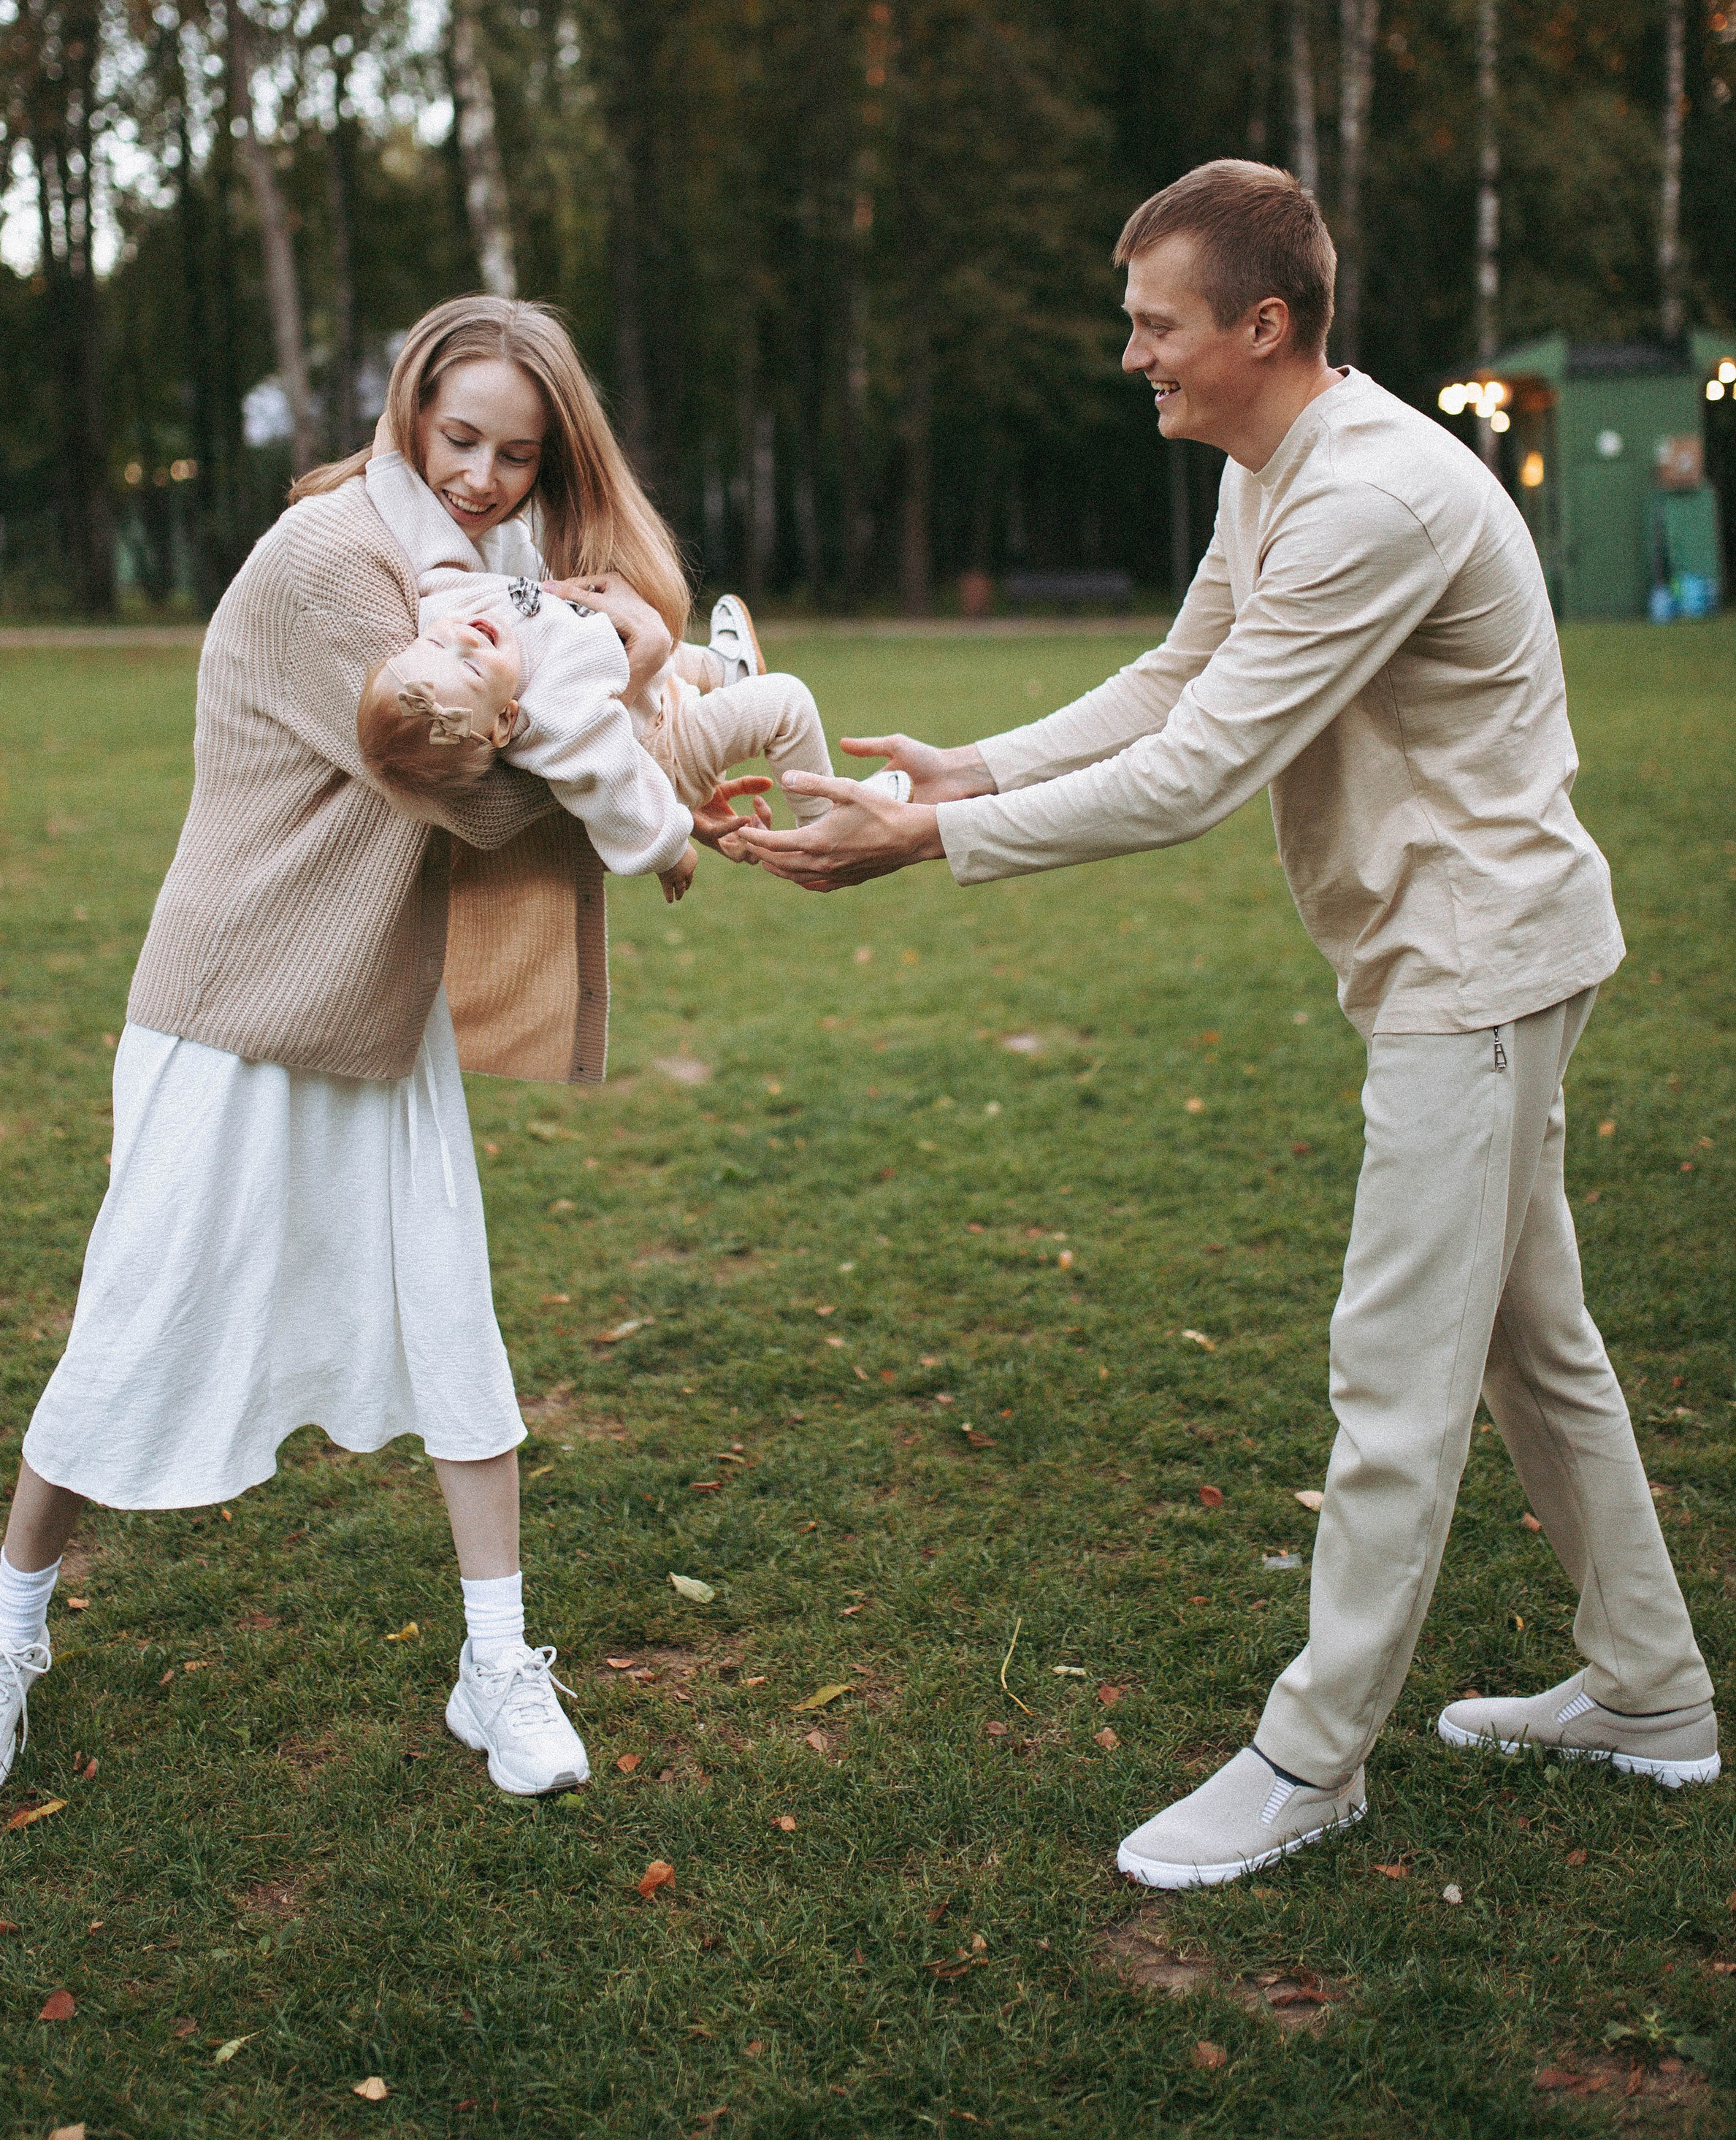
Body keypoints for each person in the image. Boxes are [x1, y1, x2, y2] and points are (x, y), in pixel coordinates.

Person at [730, 158, 1717, 1887]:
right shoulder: (1269, 470)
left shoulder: (1369, 500)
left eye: (1154, 326)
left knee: (1395, 1374)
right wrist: (969, 769)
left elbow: (1192, 772)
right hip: (1456, 957)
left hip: (1475, 969)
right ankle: (1649, 1690)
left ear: (1262, 327)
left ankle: (1308, 1758)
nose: (1131, 357)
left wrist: (923, 843)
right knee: (1525, 1342)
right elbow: (1177, 673)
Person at [0, 297, 753, 1815]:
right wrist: (630, 701)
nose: (483, 477)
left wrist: (636, 680)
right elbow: (476, 799)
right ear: (407, 414)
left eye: (516, 454)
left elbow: (550, 724)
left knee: (454, 1327)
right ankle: (2, 1636)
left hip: (375, 1001)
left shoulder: (481, 572)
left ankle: (495, 1662)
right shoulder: (327, 560)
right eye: (459, 439)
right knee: (128, 1333)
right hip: (230, 1007)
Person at [359, 435, 906, 872]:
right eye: (472, 667)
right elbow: (613, 787)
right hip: (668, 740)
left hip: (648, 679)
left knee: (640, 647)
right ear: (504, 721)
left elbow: (425, 535)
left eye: (438, 644)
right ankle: (827, 827)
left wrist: (389, 457)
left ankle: (722, 668)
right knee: (786, 702)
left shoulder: (442, 604)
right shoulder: (559, 718)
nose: (467, 638)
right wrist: (671, 846)